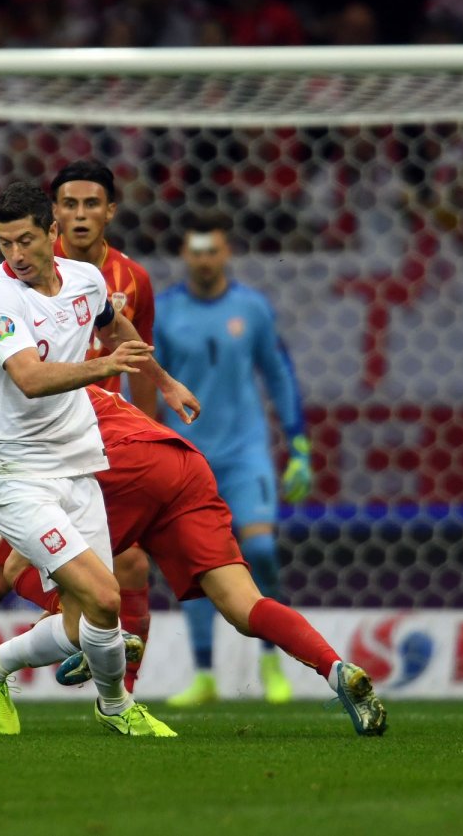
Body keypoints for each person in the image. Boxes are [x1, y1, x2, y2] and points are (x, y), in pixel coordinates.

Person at [0, 360, 386, 738]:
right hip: (180, 463)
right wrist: (165, 382)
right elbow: (122, 338)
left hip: (119, 469)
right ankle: (335, 669)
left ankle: (89, 661)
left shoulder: (19, 394)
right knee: (242, 605)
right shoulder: (48, 367)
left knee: (30, 571)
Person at [0, 180, 199, 738]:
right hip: (16, 477)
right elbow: (28, 378)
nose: (15, 255)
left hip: (77, 463)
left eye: (24, 241)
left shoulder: (87, 282)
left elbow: (118, 331)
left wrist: (165, 380)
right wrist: (102, 365)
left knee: (87, 619)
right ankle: (116, 709)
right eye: (3, 242)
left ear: (51, 234)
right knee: (104, 594)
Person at [156, 211, 312, 707]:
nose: (204, 259)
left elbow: (279, 373)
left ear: (227, 253)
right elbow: (145, 382)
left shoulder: (253, 308)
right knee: (199, 565)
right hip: (188, 458)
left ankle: (270, 656)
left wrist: (299, 443)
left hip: (246, 454)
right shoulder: (164, 312)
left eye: (212, 250)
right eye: (196, 250)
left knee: (261, 551)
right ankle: (205, 674)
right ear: (185, 255)